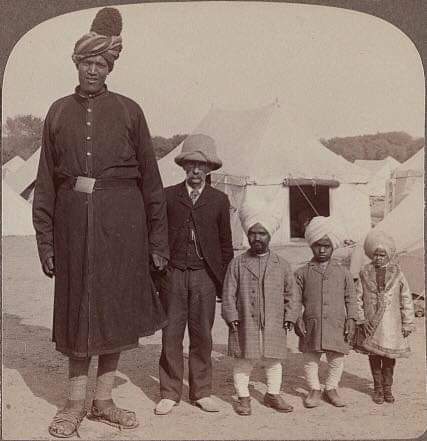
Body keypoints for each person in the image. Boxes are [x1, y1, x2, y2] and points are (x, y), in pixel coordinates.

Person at [32, 8, 169, 437]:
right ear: (76, 64)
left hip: (123, 226)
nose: (93, 69)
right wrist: (46, 241)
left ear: (110, 67)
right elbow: (45, 184)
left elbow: (152, 179)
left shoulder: (130, 111)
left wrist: (157, 241)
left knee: (114, 311)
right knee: (77, 311)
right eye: (86, 62)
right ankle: (74, 403)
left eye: (101, 63)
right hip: (73, 227)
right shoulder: (57, 112)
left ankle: (104, 400)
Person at [155, 134, 233, 415]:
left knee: (203, 336)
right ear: (183, 166)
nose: (196, 170)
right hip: (173, 275)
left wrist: (224, 284)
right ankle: (169, 393)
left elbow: (226, 245)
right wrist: (157, 275)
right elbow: (157, 238)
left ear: (210, 169)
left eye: (201, 166)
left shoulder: (220, 201)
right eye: (191, 165)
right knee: (171, 335)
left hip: (204, 277)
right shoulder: (168, 196)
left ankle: (201, 392)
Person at [221, 196, 299, 416]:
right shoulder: (237, 263)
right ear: (247, 234)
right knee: (245, 360)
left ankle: (272, 394)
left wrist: (290, 316)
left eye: (261, 233)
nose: (257, 237)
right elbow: (228, 292)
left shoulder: (282, 265)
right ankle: (244, 398)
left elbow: (291, 294)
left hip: (274, 322)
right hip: (245, 320)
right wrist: (231, 315)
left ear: (269, 236)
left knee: (273, 360)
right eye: (253, 233)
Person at [294, 216, 357, 408]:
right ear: (311, 245)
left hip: (336, 322)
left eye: (327, 246)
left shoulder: (343, 272)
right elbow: (294, 298)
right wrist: (296, 316)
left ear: (333, 247)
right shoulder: (302, 272)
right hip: (312, 322)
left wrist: (352, 318)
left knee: (336, 357)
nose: (322, 250)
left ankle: (331, 387)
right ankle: (314, 388)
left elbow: (351, 297)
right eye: (317, 245)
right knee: (310, 357)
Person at [355, 230, 415, 404]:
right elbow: (358, 297)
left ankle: (388, 388)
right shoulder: (364, 272)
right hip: (371, 324)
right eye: (376, 255)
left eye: (382, 255)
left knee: (389, 359)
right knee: (374, 357)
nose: (379, 258)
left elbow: (406, 299)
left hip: (391, 325)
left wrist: (408, 323)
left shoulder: (398, 274)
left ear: (388, 255)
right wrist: (361, 318)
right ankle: (378, 389)